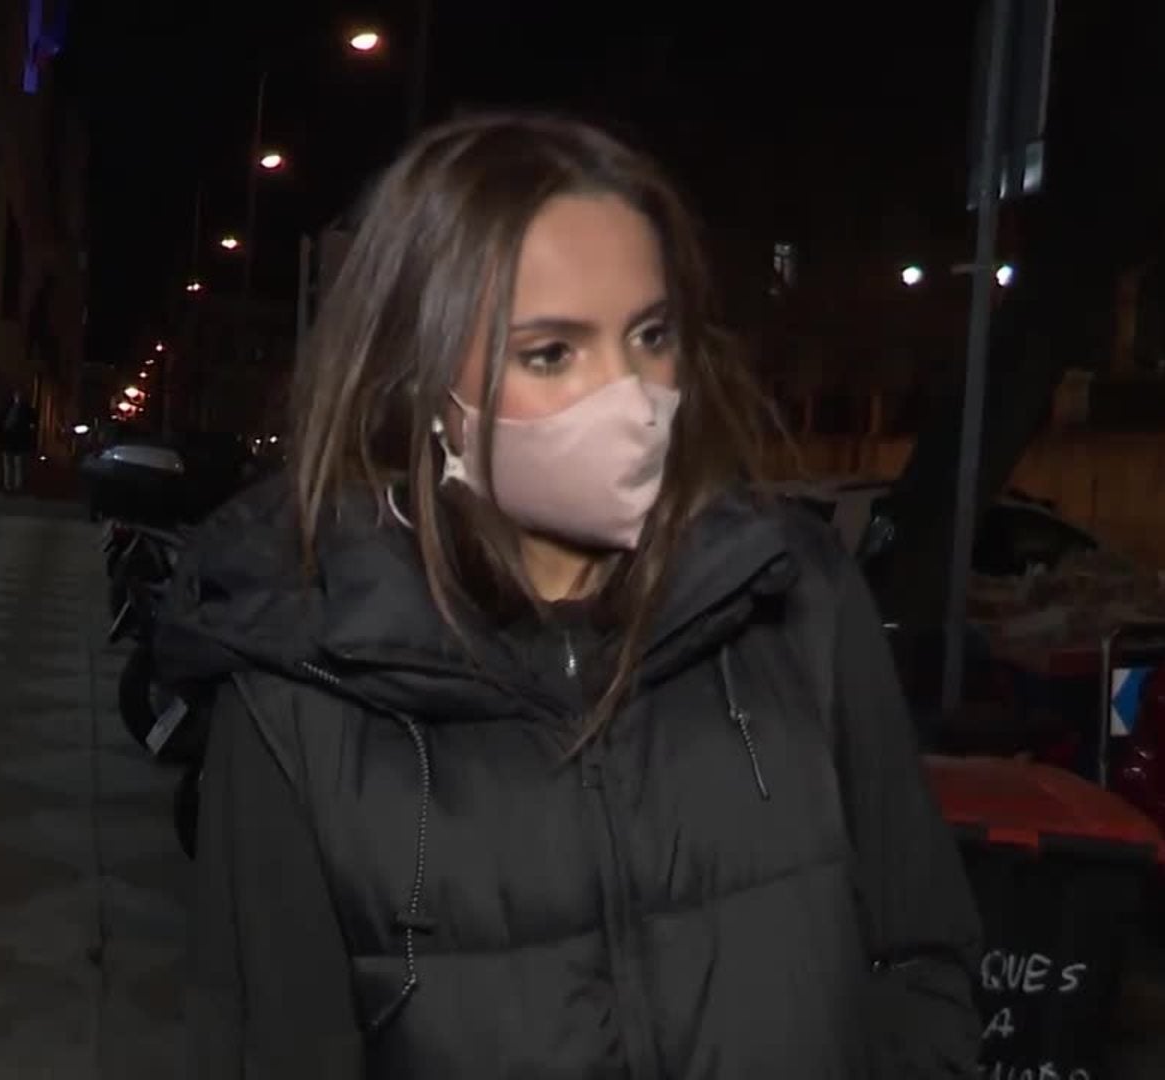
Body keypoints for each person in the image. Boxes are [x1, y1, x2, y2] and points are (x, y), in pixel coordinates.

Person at [155, 113, 981, 1078]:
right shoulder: (298, 689)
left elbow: (922, 957)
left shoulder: (797, 601)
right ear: (420, 385)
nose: (630, 397)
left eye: (651, 336)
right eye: (552, 353)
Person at [0, 388, 37, 493]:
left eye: (20, 396)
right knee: (9, 463)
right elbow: (1, 422)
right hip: (9, 439)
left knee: (18, 463)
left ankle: (17, 485)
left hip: (19, 439)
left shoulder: (26, 409)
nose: (18, 398)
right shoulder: (8, 407)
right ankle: (8, 485)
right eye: (17, 395)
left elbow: (33, 422)